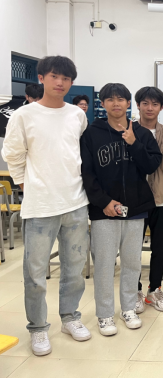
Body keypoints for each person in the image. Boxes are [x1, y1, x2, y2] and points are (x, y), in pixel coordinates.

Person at [2, 56, 91, 356]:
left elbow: (78, 152)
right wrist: (24, 184)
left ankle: (70, 317)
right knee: (35, 272)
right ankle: (38, 327)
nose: (60, 82)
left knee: (74, 268)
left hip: (75, 202)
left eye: (66, 78)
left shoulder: (76, 115)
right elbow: (12, 154)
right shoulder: (24, 115)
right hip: (40, 205)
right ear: (41, 78)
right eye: (54, 76)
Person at [81, 83, 162, 336]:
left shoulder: (142, 133)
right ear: (102, 103)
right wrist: (103, 202)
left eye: (121, 99)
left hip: (135, 209)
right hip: (103, 210)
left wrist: (134, 143)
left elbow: (152, 165)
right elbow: (86, 173)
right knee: (104, 265)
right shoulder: (91, 133)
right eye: (110, 99)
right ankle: (105, 314)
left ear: (128, 103)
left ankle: (128, 308)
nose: (116, 104)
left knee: (131, 263)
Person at [133, 87, 163, 314]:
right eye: (145, 103)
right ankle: (135, 291)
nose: (150, 108)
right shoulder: (129, 130)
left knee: (159, 247)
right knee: (133, 248)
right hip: (135, 200)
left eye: (155, 104)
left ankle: (155, 289)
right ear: (138, 105)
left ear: (161, 107)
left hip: (162, 198)